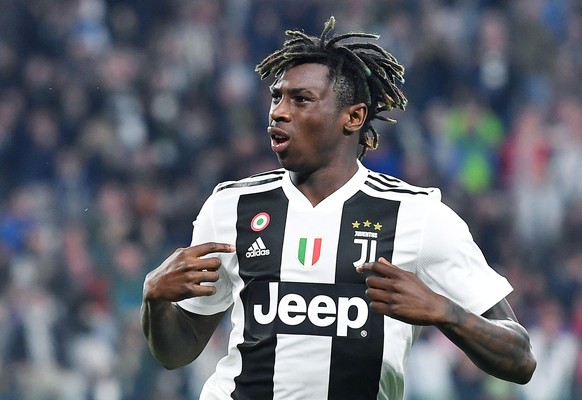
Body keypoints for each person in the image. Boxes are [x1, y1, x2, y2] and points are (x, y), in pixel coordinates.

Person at [141, 16, 536, 400]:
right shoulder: (230, 208)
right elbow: (177, 351)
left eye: (301, 100)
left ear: (353, 117)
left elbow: (520, 359)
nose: (278, 111)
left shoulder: (418, 217)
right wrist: (155, 300)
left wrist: (443, 311)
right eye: (276, 97)